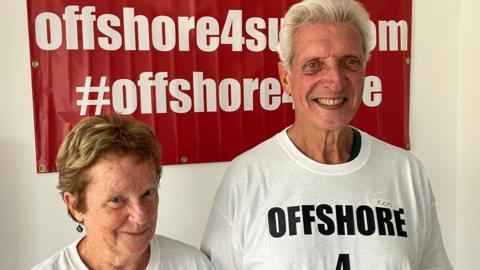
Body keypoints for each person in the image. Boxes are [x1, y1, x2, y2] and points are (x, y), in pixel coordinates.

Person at [201, 0, 453, 269]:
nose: (335, 80)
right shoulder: (247, 178)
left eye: (350, 62)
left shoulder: (405, 172)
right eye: (313, 65)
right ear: (285, 77)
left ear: (364, 72)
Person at [32, 114, 213, 270]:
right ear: (75, 206)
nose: (141, 217)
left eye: (148, 193)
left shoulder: (192, 264)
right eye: (117, 200)